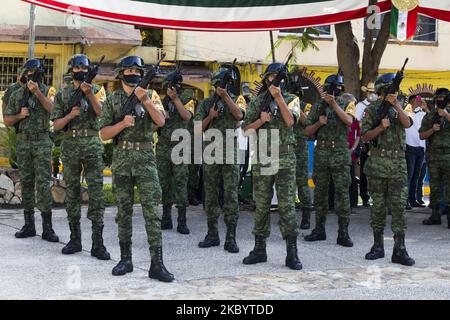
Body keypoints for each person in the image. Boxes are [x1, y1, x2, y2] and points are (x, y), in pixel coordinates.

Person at [99, 55, 174, 282]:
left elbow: (161, 122)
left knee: (152, 212)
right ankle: (126, 259)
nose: (133, 74)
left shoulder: (151, 95)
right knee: (124, 213)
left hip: (145, 159)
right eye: (129, 70)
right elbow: (103, 134)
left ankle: (157, 264)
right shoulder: (112, 99)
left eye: (137, 70)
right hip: (122, 159)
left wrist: (147, 101)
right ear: (122, 73)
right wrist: (122, 124)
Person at [242, 62, 302, 270]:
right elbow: (246, 131)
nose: (275, 80)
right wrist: (260, 121)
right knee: (261, 206)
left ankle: (292, 253)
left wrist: (278, 98)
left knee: (287, 207)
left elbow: (290, 122)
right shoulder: (258, 101)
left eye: (278, 76)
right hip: (263, 159)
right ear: (266, 79)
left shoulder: (292, 99)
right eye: (271, 76)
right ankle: (259, 249)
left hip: (285, 159)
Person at [51, 54, 110, 260]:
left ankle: (98, 244)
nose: (80, 70)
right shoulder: (63, 93)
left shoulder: (98, 90)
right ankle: (75, 239)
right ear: (71, 70)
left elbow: (102, 113)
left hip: (92, 145)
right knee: (73, 192)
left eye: (83, 67)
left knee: (97, 193)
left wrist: (89, 95)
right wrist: (69, 115)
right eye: (76, 67)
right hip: (70, 144)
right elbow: (56, 125)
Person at [362, 73, 415, 266]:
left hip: (398, 165)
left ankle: (399, 250)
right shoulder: (372, 110)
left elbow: (407, 123)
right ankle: (378, 246)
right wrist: (380, 128)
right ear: (382, 91)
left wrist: (397, 105)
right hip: (377, 164)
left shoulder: (404, 107)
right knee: (378, 207)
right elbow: (365, 136)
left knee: (399, 207)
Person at [3, 58, 59, 242]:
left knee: (43, 183)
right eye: (28, 73)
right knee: (26, 183)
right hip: (23, 142)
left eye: (34, 73)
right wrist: (20, 115)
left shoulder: (48, 91)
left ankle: (47, 228)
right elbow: (8, 120)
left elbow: (54, 111)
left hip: (42, 142)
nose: (31, 76)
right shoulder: (17, 94)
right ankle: (29, 225)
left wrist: (38, 94)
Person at [194, 68, 246, 254]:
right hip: (211, 153)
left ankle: (231, 238)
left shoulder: (236, 99)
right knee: (210, 195)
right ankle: (212, 234)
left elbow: (239, 116)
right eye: (220, 84)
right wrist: (211, 116)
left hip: (230, 154)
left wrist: (226, 98)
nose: (222, 87)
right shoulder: (206, 103)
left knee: (231, 195)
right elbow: (197, 130)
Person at [304, 74, 354, 247]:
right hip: (322, 152)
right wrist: (319, 123)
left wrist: (334, 104)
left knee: (342, 193)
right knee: (320, 193)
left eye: (337, 88)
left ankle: (343, 232)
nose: (335, 91)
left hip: (340, 152)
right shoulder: (318, 106)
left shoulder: (347, 103)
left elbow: (349, 120)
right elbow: (307, 131)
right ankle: (319, 229)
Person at [157, 71, 194, 234]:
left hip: (181, 145)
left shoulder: (187, 98)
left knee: (181, 182)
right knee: (164, 183)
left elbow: (186, 116)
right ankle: (166, 217)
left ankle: (182, 220)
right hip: (164, 145)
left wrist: (175, 99)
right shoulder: (160, 101)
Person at [419, 88, 450, 228]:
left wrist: (447, 115)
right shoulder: (430, 115)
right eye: (438, 98)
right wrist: (432, 129)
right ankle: (435, 215)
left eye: (443, 98)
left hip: (448, 155)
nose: (440, 100)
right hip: (434, 156)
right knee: (435, 188)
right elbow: (422, 135)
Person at [292, 88, 313, 229]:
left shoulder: (306, 106)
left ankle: (306, 218)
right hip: (285, 147)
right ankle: (288, 216)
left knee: (302, 183)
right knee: (286, 184)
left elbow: (308, 123)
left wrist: (296, 108)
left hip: (300, 149)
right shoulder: (283, 104)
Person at [356, 82, 377, 207]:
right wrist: (361, 142)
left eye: (375, 92)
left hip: (377, 143)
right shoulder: (360, 106)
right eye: (370, 92)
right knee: (364, 172)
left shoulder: (379, 106)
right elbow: (357, 125)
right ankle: (364, 197)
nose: (372, 95)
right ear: (367, 93)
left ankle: (376, 197)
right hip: (366, 142)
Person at [404, 95, 427, 210]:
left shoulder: (423, 114)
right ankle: (405, 200)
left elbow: (431, 119)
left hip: (421, 148)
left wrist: (426, 108)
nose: (419, 102)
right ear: (411, 102)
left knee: (416, 177)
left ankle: (413, 200)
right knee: (409, 175)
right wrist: (412, 106)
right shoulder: (407, 112)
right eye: (417, 100)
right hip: (410, 147)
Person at [343, 93, 360, 209]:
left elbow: (358, 135)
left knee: (351, 179)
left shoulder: (355, 119)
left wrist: (353, 148)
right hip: (339, 152)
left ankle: (352, 204)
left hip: (351, 153)